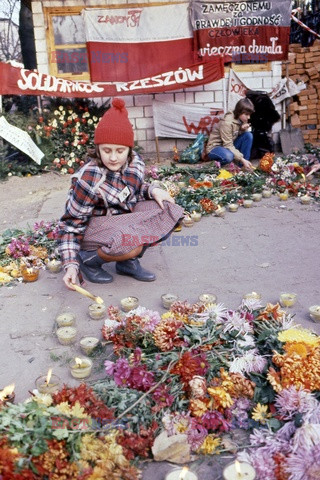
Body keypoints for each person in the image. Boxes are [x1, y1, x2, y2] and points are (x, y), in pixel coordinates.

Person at [58, 98, 184, 289]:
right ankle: (89, 260)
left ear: (129, 149)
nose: (114, 157)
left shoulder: (133, 163)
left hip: (119, 219)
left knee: (167, 210)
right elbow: (71, 226)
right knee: (130, 240)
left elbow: (133, 188)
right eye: (106, 150)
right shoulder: (88, 180)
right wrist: (70, 265)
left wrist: (153, 189)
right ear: (98, 148)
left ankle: (126, 263)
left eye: (120, 150)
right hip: (93, 228)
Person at [206, 98, 255, 170]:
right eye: (246, 114)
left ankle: (243, 167)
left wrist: (241, 129)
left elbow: (233, 135)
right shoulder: (227, 122)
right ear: (239, 112)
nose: (249, 117)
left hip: (227, 146)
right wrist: (242, 159)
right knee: (229, 156)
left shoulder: (240, 119)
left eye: (249, 115)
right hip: (215, 148)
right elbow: (228, 144)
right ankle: (213, 165)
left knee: (248, 135)